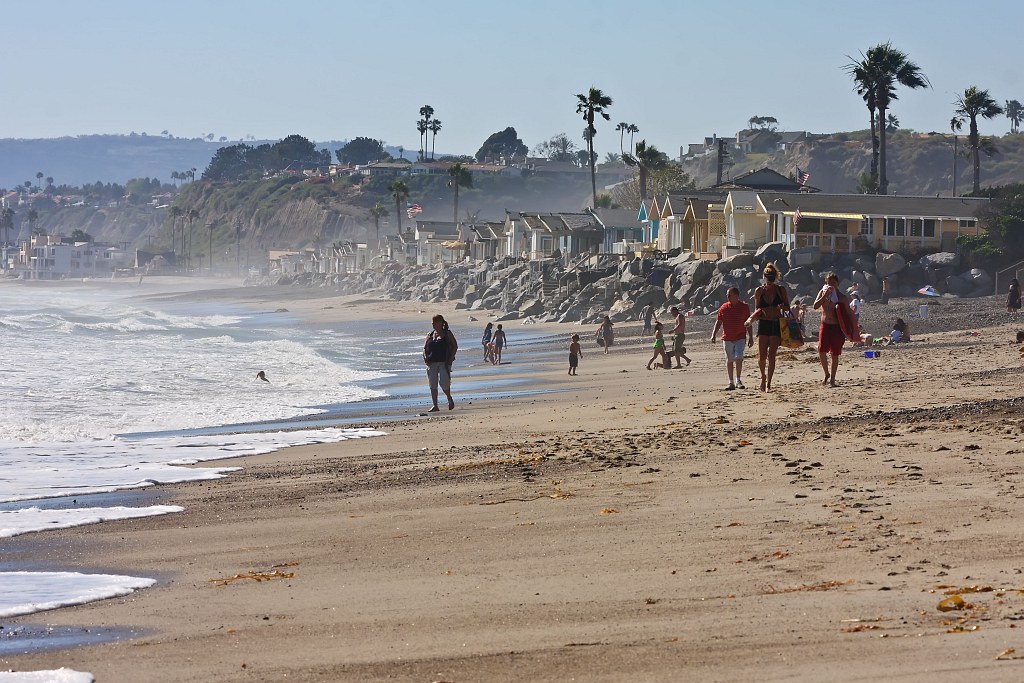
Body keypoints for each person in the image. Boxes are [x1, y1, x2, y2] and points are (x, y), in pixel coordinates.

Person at [752, 262, 791, 392]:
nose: (769, 281)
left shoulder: (780, 290)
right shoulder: (759, 291)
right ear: (764, 277)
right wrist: (756, 314)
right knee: (762, 356)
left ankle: (769, 382)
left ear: (774, 278)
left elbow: (787, 307)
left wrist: (781, 307)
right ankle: (763, 377)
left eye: (771, 278)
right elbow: (756, 308)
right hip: (763, 323)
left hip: (775, 323)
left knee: (772, 355)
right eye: (768, 278)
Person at [711, 287, 754, 390]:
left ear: (736, 296)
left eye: (729, 295)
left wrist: (751, 337)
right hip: (727, 338)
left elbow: (748, 323)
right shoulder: (723, 308)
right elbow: (719, 322)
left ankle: (738, 380)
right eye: (727, 295)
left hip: (740, 336)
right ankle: (731, 382)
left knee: (739, 357)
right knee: (729, 360)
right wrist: (713, 335)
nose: (727, 297)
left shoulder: (744, 307)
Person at [813, 272, 849, 387]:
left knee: (835, 353)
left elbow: (848, 313)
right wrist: (824, 296)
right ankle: (826, 373)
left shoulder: (841, 297)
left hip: (836, 327)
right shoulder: (822, 292)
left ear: (837, 284)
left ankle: (833, 379)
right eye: (828, 283)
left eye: (833, 283)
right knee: (821, 350)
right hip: (825, 325)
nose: (830, 285)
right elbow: (815, 306)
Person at [423, 314, 458, 412]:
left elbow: (455, 346)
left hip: (444, 362)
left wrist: (450, 359)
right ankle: (435, 405)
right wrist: (425, 358)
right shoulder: (430, 335)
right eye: (432, 323)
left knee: (444, 383)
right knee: (432, 384)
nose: (433, 324)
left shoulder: (447, 334)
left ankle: (449, 398)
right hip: (431, 363)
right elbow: (425, 347)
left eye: (435, 322)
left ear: (441, 323)